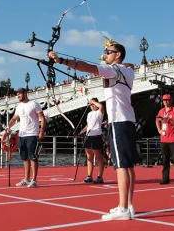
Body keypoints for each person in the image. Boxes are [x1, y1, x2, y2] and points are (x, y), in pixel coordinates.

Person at [48, 39, 139, 220]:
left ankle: (123, 209)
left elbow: (88, 67)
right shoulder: (128, 71)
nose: (105, 55)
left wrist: (61, 61)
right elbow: (130, 64)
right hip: (128, 121)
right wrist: (113, 57)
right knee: (128, 165)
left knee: (120, 165)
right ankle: (129, 205)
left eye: (108, 52)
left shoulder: (113, 69)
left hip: (118, 121)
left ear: (117, 55)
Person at [6, 87, 46, 188]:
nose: (18, 96)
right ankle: (26, 179)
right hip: (22, 135)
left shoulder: (34, 104)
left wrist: (42, 131)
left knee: (33, 157)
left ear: (25, 93)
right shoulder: (19, 106)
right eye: (17, 94)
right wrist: (8, 127)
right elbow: (14, 119)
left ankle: (34, 180)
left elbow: (42, 117)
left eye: (19, 94)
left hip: (32, 134)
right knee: (25, 158)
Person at [155, 94, 174, 185]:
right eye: (164, 100)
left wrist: (169, 121)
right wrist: (159, 130)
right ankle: (165, 178)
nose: (166, 102)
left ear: (171, 100)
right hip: (164, 139)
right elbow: (157, 120)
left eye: (167, 100)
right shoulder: (161, 111)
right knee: (165, 159)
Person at [80, 98, 105, 184]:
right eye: (91, 105)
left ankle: (99, 176)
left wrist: (93, 102)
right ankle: (89, 176)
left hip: (96, 135)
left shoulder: (99, 112)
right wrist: (81, 131)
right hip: (88, 136)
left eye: (94, 104)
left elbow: (101, 106)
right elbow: (88, 125)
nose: (92, 106)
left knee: (98, 157)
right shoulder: (89, 114)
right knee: (89, 157)